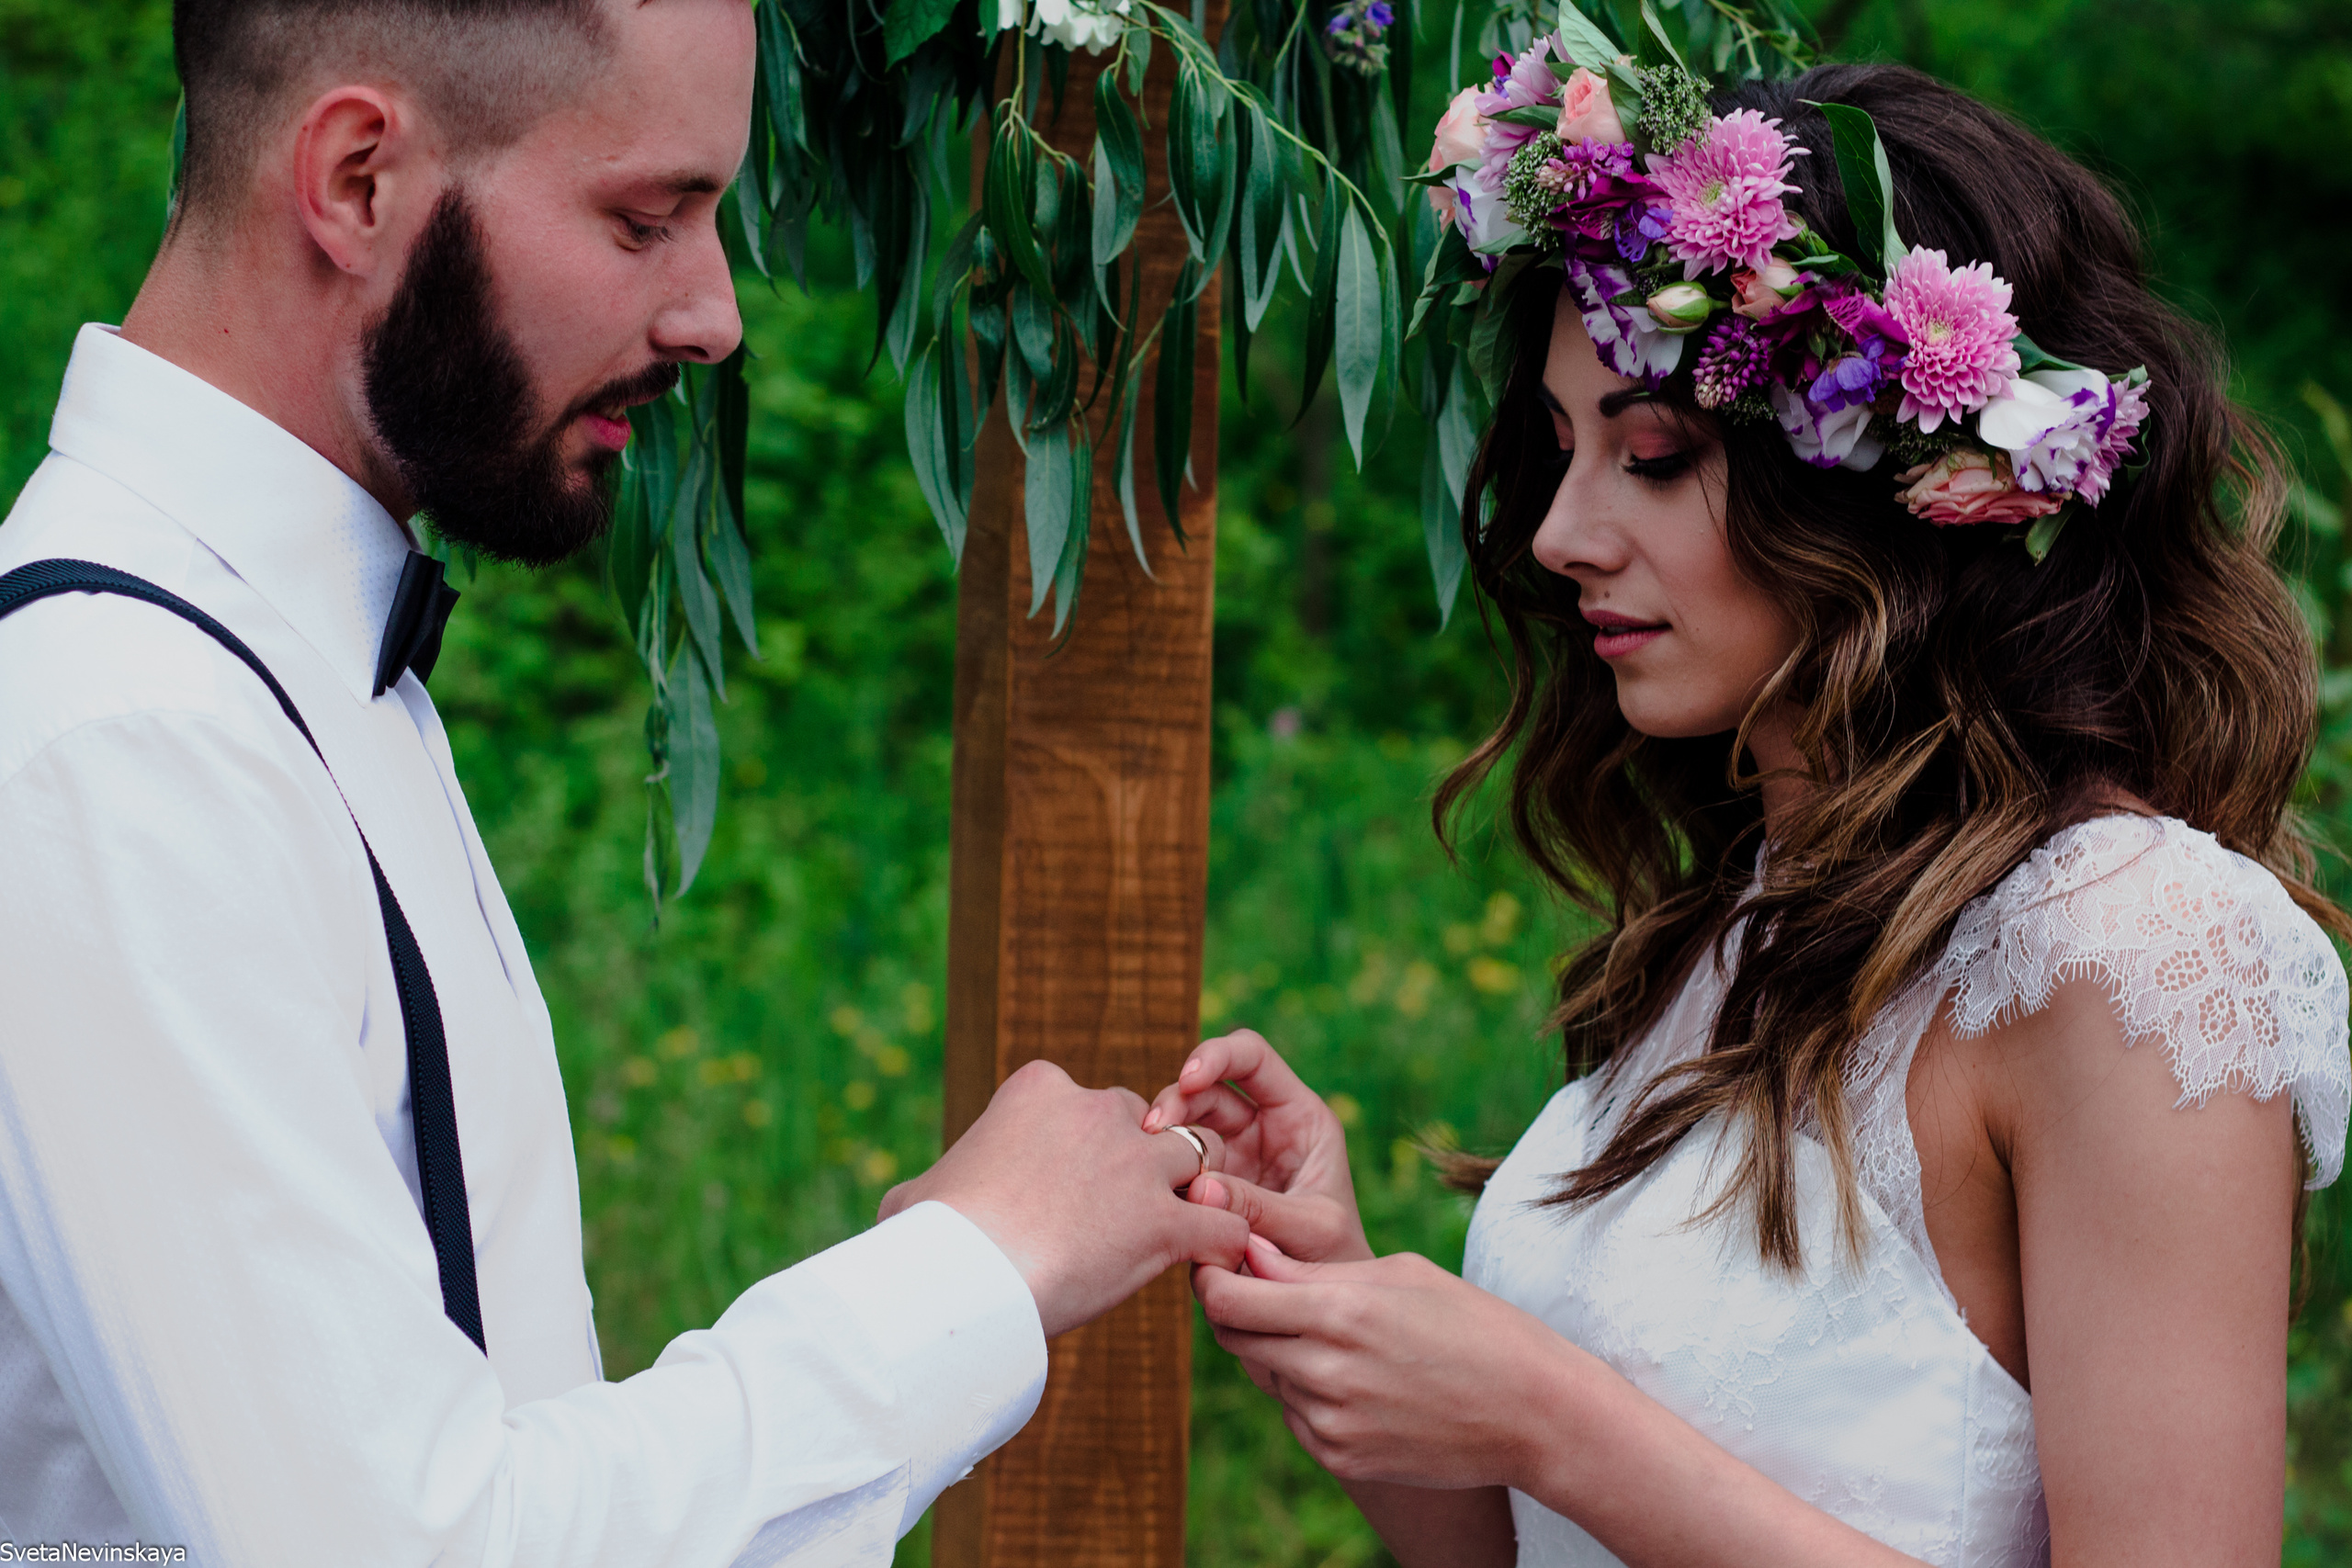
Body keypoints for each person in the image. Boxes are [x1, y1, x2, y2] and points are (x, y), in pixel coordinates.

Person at [0, 0, 1245, 1559]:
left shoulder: (279, 668)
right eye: (645, 219)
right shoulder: (124, 746)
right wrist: (975, 1268)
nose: (716, 317)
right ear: (359, 182)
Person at [1146, 54, 2352, 1568]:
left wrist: (1549, 1418)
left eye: (1653, 457)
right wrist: (1332, 1301)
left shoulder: (2133, 947)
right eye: (1566, 449)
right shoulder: (1744, 922)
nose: (1562, 534)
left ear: (1881, 487)